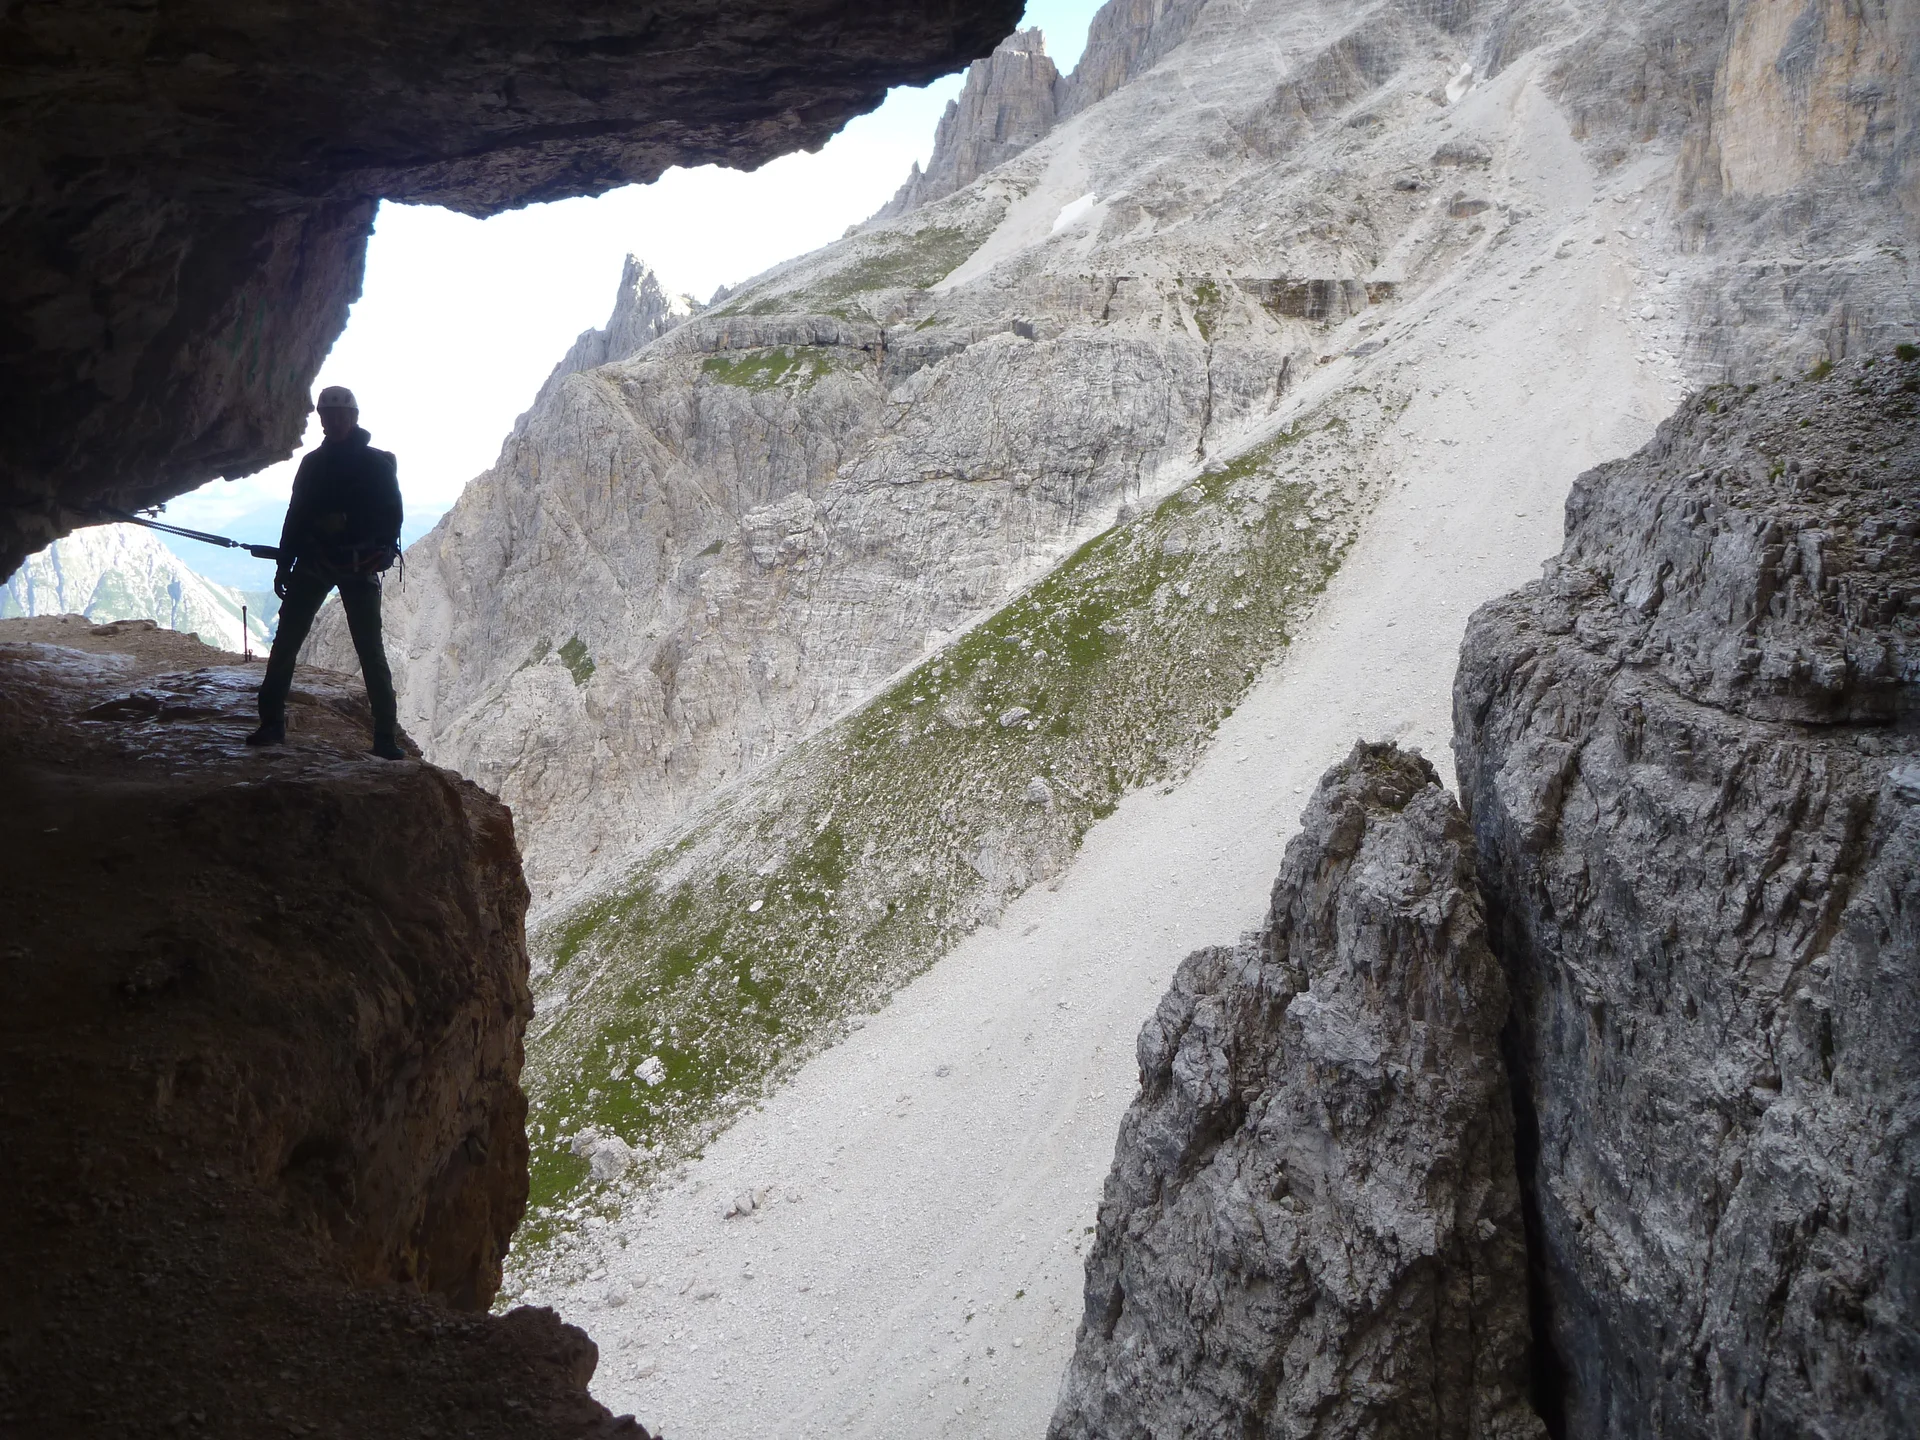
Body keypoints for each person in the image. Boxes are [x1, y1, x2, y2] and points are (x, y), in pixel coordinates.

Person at [245, 385, 406, 759]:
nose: (333, 421)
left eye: (339, 415)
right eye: (327, 416)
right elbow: (296, 512)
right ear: (322, 419)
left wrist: (348, 530)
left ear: (352, 417)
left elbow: (389, 519)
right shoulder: (317, 464)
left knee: (369, 651)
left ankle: (385, 737)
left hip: (346, 562)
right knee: (287, 643)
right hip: (327, 562)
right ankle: (271, 723)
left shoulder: (372, 464)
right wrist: (285, 562)